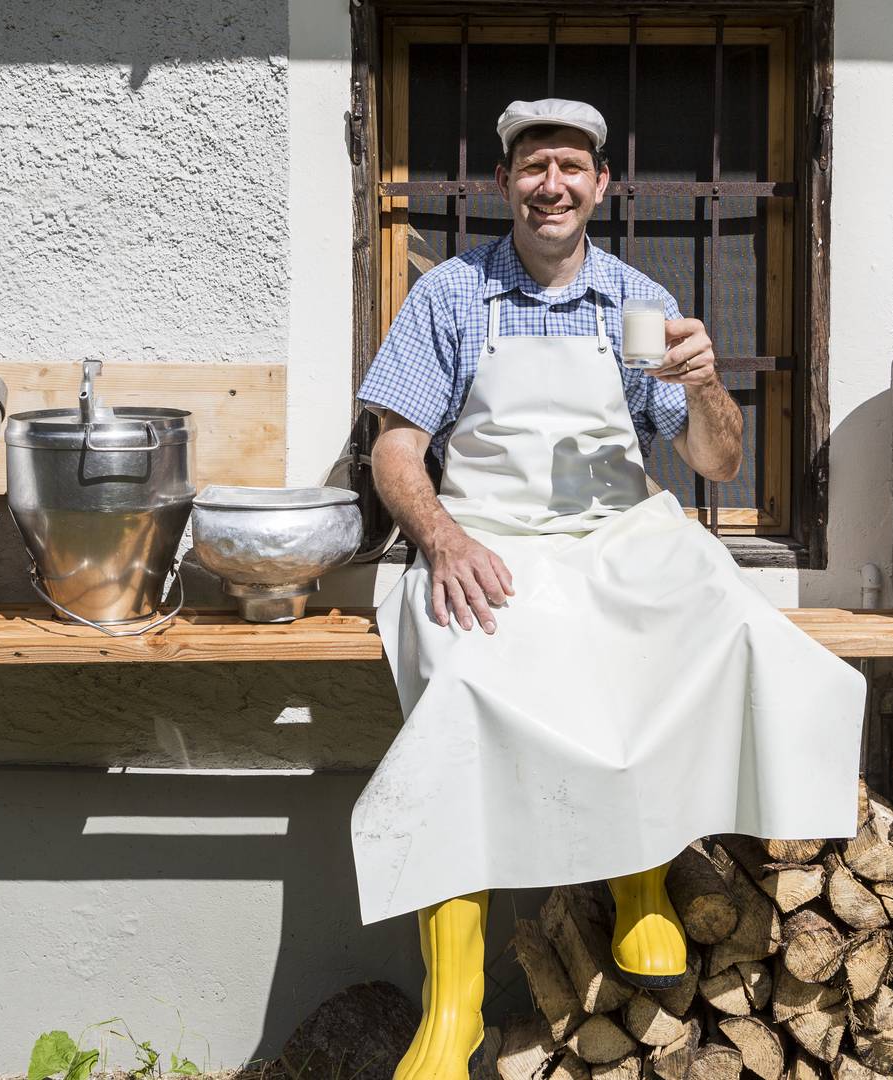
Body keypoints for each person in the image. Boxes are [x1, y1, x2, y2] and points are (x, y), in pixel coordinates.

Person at [352, 98, 865, 1080]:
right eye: (534, 167)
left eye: (572, 168)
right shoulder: (451, 296)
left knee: (707, 623)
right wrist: (443, 539)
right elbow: (398, 446)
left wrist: (709, 383)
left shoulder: (635, 298)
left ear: (600, 185)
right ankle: (453, 1004)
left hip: (614, 531)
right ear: (505, 185)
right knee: (462, 693)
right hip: (491, 536)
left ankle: (641, 888)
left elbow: (712, 460)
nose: (553, 185)